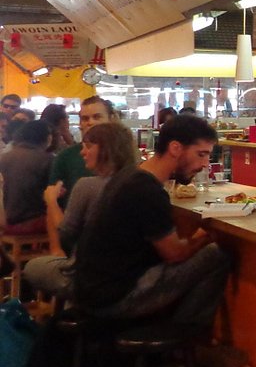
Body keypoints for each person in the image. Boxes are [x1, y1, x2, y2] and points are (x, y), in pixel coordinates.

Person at [72, 115, 230, 327]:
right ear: (175, 148)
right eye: (201, 154)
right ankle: (185, 337)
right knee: (216, 255)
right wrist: (205, 236)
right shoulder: (146, 190)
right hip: (114, 299)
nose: (204, 164)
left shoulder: (129, 176)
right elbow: (175, 254)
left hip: (89, 291)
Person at [27, 123, 139, 298]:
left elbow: (66, 233)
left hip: (89, 277)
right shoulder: (139, 184)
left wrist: (51, 201)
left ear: (106, 150)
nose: (82, 152)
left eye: (88, 146)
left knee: (33, 267)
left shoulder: (87, 185)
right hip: (131, 277)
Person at [49, 96, 116, 198]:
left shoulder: (121, 153)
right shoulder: (66, 157)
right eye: (85, 119)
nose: (90, 122)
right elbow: (53, 193)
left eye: (97, 117)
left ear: (110, 119)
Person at [0, 119, 55, 235]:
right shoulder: (48, 160)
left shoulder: (4, 157)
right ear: (48, 137)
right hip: (31, 221)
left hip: (4, 221)